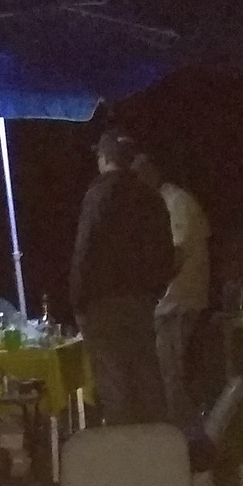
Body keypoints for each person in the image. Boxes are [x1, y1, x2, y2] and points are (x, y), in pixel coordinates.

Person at [68, 129, 173, 425]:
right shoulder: (151, 197)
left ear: (104, 158)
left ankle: (124, 445)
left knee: (114, 381)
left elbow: (85, 250)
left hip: (102, 304)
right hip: (140, 302)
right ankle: (157, 443)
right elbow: (166, 254)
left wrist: (77, 301)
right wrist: (153, 293)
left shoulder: (99, 194)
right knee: (146, 377)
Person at [132, 152, 214, 486]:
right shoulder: (157, 205)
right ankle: (178, 457)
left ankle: (198, 459)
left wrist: (146, 289)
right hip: (167, 305)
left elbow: (175, 256)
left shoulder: (177, 202)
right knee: (166, 382)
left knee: (171, 381)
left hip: (177, 304)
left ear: (149, 173)